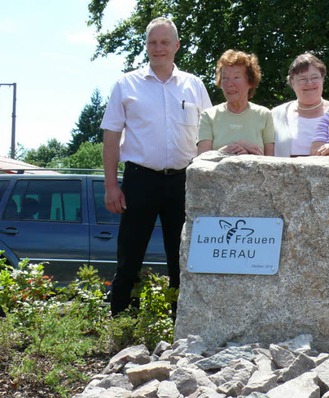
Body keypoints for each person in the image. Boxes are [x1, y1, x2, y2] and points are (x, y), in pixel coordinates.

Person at [101, 17, 212, 317]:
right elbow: (111, 137)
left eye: (165, 42)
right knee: (129, 258)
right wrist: (111, 185)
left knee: (183, 258)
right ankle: (121, 324)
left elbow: (208, 136)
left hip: (184, 182)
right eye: (152, 42)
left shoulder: (195, 85)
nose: (158, 48)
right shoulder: (126, 85)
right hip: (139, 181)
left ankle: (183, 328)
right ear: (146, 46)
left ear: (177, 45)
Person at [197, 50, 274, 156]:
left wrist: (255, 156)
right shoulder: (208, 116)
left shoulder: (264, 115)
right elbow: (201, 161)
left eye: (236, 77)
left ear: (250, 81)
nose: (229, 84)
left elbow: (271, 162)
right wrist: (223, 153)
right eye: (225, 78)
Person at [272, 53, 329, 157]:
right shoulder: (276, 115)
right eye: (303, 79)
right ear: (292, 83)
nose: (309, 83)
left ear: (322, 79)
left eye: (315, 77)